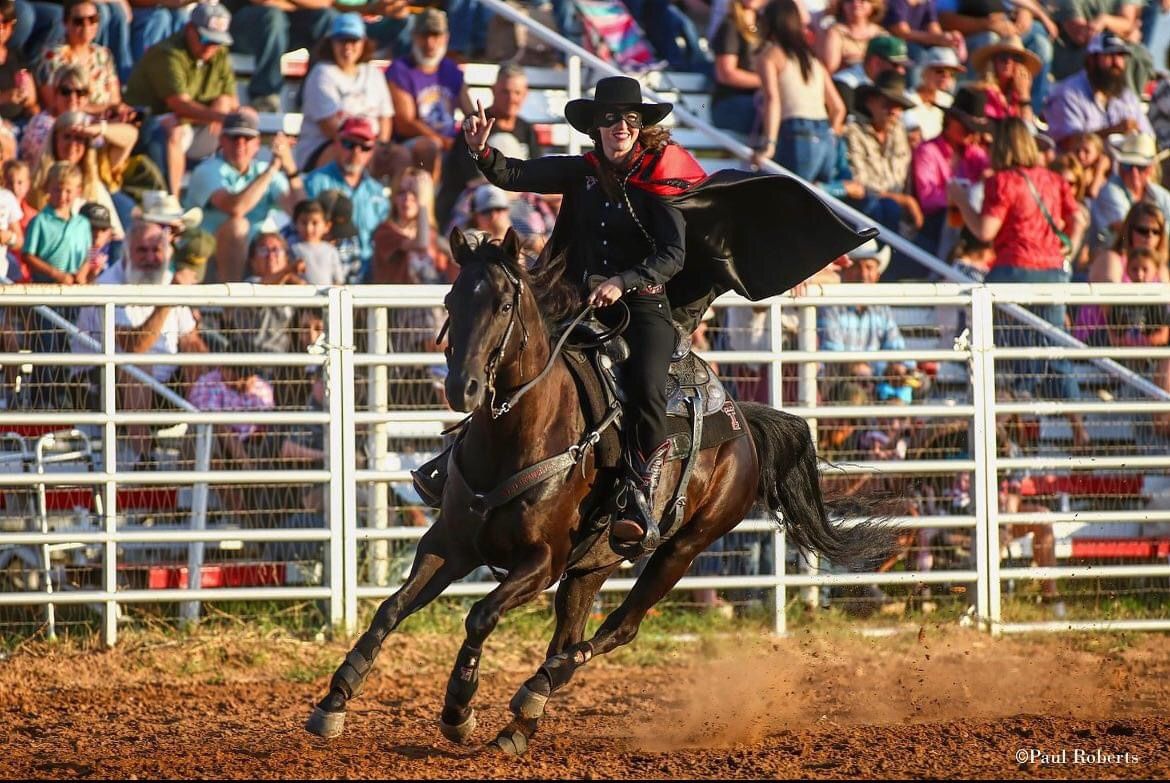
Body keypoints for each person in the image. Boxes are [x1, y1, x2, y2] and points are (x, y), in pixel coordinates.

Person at [462, 75, 693, 553]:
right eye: (610, 119)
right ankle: (460, 461)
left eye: (629, 118)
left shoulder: (659, 175)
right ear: (596, 128)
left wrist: (623, 281)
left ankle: (641, 494)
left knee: (646, 388)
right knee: (513, 353)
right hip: (577, 299)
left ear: (640, 126)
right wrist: (482, 151)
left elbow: (673, 254)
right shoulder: (581, 169)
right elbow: (515, 175)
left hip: (644, 304)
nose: (620, 126)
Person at [948, 117, 1090, 445]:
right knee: (1054, 350)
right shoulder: (1054, 179)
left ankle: (996, 428)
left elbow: (985, 232)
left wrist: (960, 199)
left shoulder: (1004, 181)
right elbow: (1079, 218)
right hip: (1053, 276)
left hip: (1012, 273)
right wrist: (1065, 249)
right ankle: (1079, 428)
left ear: (1002, 146)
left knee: (1000, 355)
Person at [123, 2, 240, 197]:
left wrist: (224, 101)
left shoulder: (219, 53)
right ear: (190, 30)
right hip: (147, 127)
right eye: (206, 39)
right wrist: (220, 116)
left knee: (244, 124)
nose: (210, 47)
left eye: (217, 41)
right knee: (175, 128)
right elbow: (179, 105)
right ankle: (172, 199)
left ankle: (231, 194)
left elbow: (233, 100)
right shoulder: (167, 53)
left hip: (197, 124)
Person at [183, 108, 305, 283]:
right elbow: (236, 208)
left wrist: (290, 167)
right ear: (222, 140)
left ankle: (299, 308)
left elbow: (301, 213)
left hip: (256, 258)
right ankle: (232, 307)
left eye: (247, 138)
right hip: (207, 260)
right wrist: (272, 169)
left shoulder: (263, 171)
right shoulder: (207, 170)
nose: (240, 144)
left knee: (279, 245)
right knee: (237, 226)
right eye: (234, 137)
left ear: (257, 143)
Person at [436, 63, 542, 228]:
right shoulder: (476, 124)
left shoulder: (527, 130)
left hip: (517, 203)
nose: (511, 99)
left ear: (525, 95)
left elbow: (536, 175)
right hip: (477, 206)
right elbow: (472, 180)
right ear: (493, 90)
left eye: (517, 93)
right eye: (505, 92)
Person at [754, 0, 847, 182]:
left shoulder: (770, 55)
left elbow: (773, 100)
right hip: (825, 139)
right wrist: (830, 137)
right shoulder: (812, 58)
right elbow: (838, 108)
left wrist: (769, 144)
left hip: (796, 136)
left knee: (784, 202)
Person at [294, 12, 394, 173]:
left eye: (353, 40)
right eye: (342, 40)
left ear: (363, 43)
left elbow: (385, 118)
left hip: (369, 144)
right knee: (350, 153)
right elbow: (330, 128)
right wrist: (365, 149)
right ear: (331, 43)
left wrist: (380, 146)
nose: (347, 47)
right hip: (327, 145)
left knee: (400, 156)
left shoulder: (373, 73)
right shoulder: (321, 73)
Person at [385, 8, 473, 183]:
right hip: (411, 144)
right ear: (413, 36)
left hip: (449, 142)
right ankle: (429, 202)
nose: (430, 43)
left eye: (436, 36)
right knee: (430, 147)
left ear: (446, 38)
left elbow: (470, 112)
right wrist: (442, 141)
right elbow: (405, 123)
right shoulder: (400, 70)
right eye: (424, 36)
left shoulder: (451, 70)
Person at [302, 115, 390, 283]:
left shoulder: (377, 191)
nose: (356, 152)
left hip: (372, 273)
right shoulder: (315, 182)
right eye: (349, 144)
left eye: (364, 147)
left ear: (372, 151)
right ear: (336, 143)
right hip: (329, 271)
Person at [1044, 30, 1152, 149]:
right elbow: (1069, 144)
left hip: (1122, 164)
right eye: (1109, 55)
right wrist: (1113, 131)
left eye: (1120, 56)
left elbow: (1149, 138)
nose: (1116, 62)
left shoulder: (1126, 95)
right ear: (1091, 60)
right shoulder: (1068, 93)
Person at [225, 0, 335, 113]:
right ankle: (265, 96)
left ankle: (312, 96)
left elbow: (324, 2)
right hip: (244, 28)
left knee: (327, 17)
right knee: (273, 16)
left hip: (286, 27)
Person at [35, 0, 132, 121]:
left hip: (106, 121)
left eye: (92, 19)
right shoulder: (52, 57)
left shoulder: (103, 54)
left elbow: (115, 98)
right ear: (66, 24)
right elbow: (54, 105)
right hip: (71, 123)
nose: (87, 26)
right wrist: (101, 110)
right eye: (78, 22)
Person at [1088, 133, 1170, 252]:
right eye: (1128, 166)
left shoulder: (1162, 195)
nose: (1134, 173)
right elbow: (1129, 230)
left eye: (1140, 167)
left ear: (1150, 169)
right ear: (1120, 167)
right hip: (1111, 261)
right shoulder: (1109, 191)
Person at [709, 0, 765, 137]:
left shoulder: (766, 26)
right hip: (731, 103)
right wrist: (767, 82)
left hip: (758, 99)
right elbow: (725, 74)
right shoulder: (730, 26)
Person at [971, 35, 1042, 122]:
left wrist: (1024, 95)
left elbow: (1027, 131)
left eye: (1016, 58)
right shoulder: (983, 93)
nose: (1008, 62)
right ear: (993, 61)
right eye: (1003, 56)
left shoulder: (1016, 98)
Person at [818, 0, 889, 82]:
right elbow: (829, 69)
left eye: (862, 0)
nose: (855, 3)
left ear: (873, 5)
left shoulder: (881, 34)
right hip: (845, 85)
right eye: (849, 0)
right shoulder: (835, 32)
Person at [903, 46, 963, 141]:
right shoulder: (906, 99)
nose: (946, 76)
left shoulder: (949, 101)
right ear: (924, 71)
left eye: (951, 73)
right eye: (939, 71)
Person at [290, 197, 344, 287]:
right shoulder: (292, 248)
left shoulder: (330, 250)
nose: (309, 228)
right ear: (295, 224)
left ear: (326, 226)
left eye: (315, 223)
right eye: (304, 222)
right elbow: (287, 274)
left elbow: (338, 279)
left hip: (327, 297)